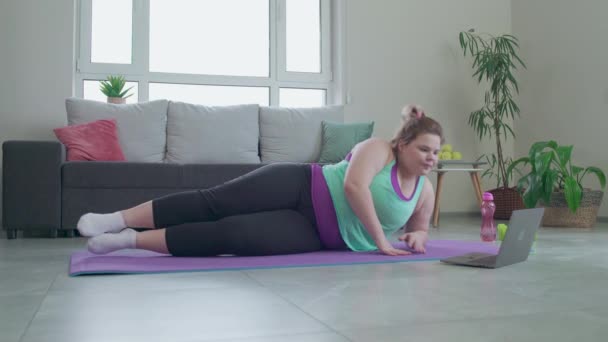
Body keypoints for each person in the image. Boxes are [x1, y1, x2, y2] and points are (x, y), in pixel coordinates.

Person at [78, 105, 444, 257]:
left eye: (437, 153)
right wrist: (381, 242)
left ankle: (128, 241)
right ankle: (117, 218)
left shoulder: (425, 191)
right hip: (302, 184)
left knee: (231, 235)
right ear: (403, 143)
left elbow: (422, 228)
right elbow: (353, 187)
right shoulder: (379, 149)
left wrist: (418, 235)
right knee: (213, 202)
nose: (431, 158)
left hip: (316, 233)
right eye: (425, 149)